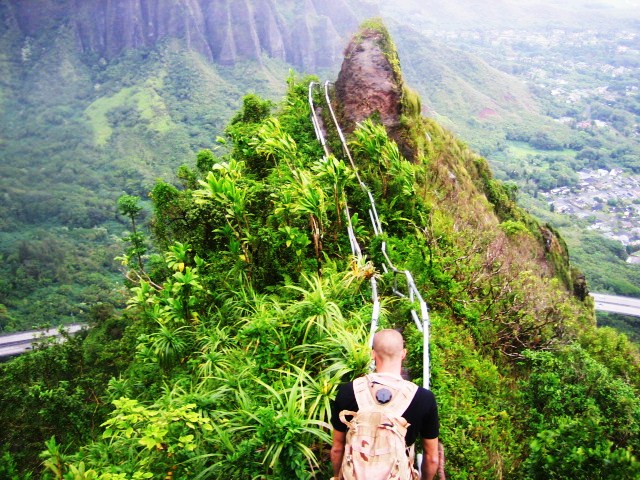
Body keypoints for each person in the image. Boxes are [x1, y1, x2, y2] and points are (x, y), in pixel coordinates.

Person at [330, 329, 440, 479]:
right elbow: (432, 458)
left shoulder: (348, 391)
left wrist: (337, 476)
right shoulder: (424, 398)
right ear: (403, 354)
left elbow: (337, 448)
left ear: (372, 354)